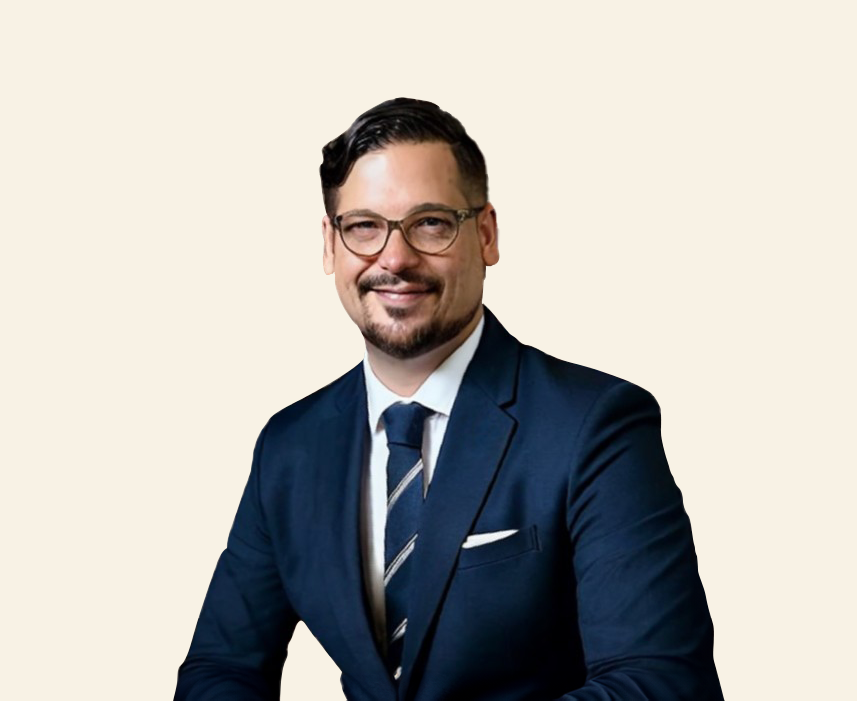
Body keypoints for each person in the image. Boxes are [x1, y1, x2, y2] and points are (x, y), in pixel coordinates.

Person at [175, 98, 723, 700]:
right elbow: (219, 672)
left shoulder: (595, 426)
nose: (395, 258)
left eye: (431, 223)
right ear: (330, 245)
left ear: (485, 234)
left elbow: (663, 682)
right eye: (364, 227)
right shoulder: (290, 448)